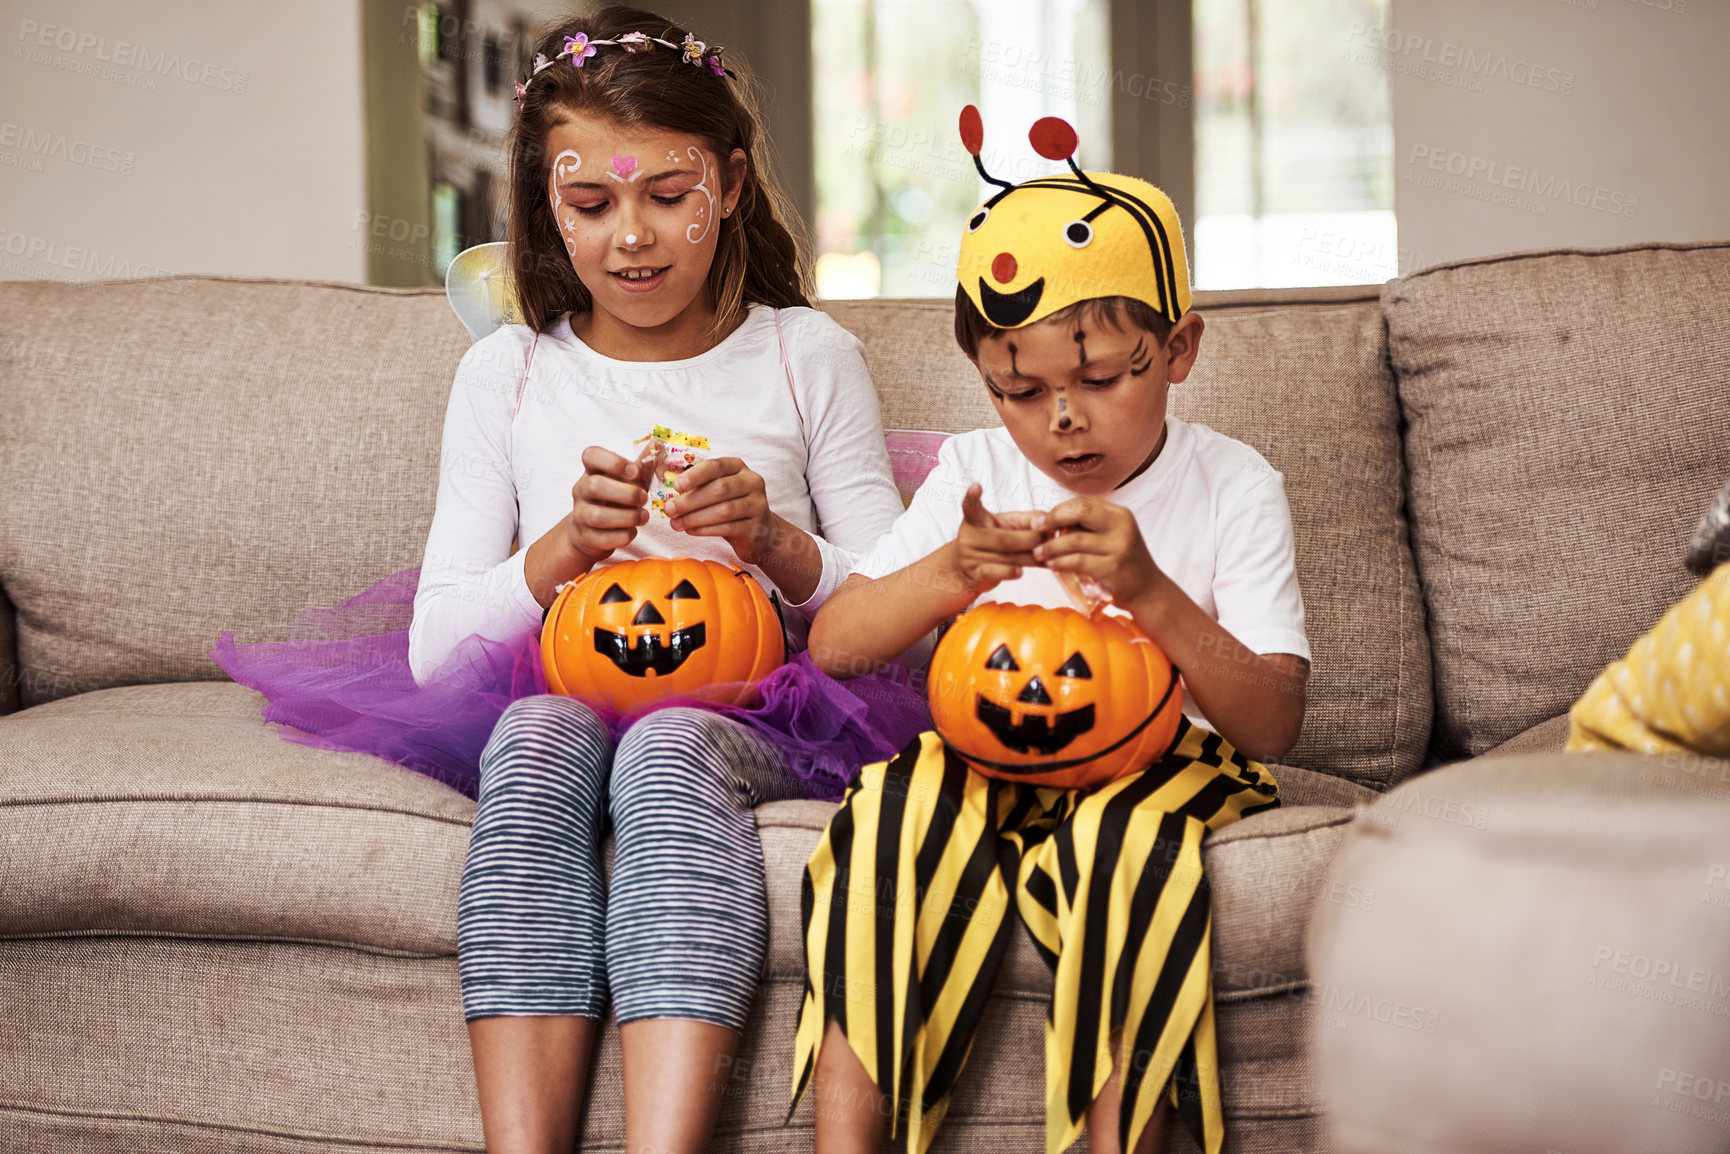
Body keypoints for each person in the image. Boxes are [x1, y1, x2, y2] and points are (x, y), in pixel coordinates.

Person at [325, 7, 909, 1154]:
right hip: (557, 685)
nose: (629, 237)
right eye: (589, 204)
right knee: (538, 736)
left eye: (665, 195)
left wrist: (782, 548)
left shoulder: (805, 357)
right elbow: (435, 647)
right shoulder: (508, 372)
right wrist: (554, 558)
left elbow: (898, 613)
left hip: (752, 702)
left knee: (667, 743)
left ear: (730, 183)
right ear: (546, 201)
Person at [787, 108, 1310, 1154]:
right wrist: (951, 569)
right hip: (986, 748)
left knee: (1130, 851)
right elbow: (835, 644)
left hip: (1168, 757)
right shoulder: (976, 470)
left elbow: (1273, 721)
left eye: (1101, 379)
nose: (1061, 420)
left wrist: (1151, 591)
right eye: (1019, 391)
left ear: (1177, 350)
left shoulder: (1232, 482)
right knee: (888, 810)